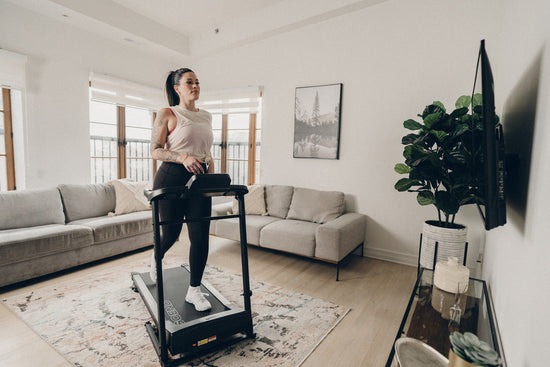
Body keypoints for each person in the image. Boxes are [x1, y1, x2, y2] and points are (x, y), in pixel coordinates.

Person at [150, 67, 214, 311]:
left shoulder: (206, 116)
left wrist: (211, 176)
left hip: (199, 181)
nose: (195, 86)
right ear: (177, 88)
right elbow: (155, 150)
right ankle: (156, 259)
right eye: (190, 82)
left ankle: (194, 291)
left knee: (199, 236)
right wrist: (183, 157)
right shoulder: (167, 113)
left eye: (197, 81)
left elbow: (207, 152)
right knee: (172, 234)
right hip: (171, 177)